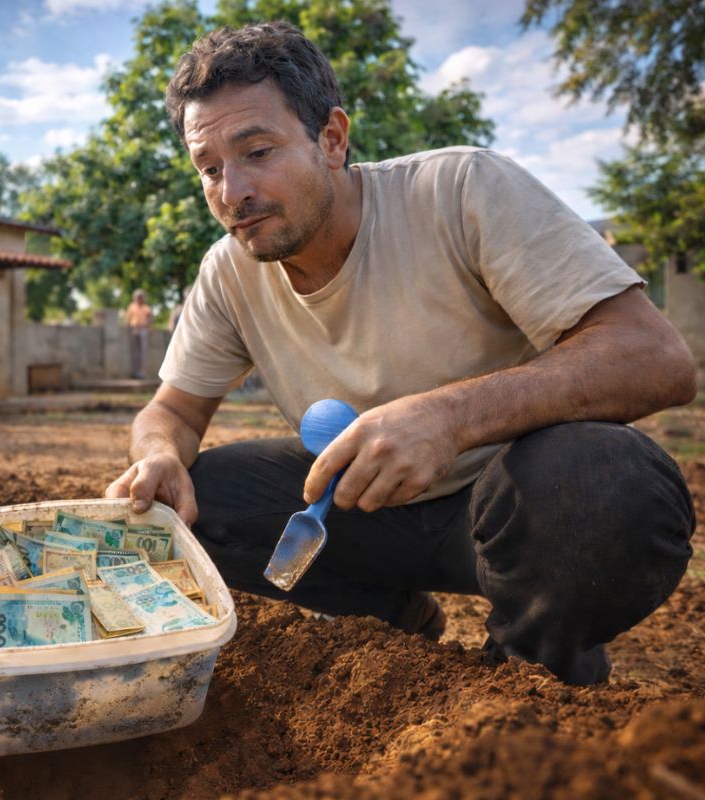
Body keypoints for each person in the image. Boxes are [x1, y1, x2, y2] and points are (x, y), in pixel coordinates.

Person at [106, 22, 696, 686]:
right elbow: (173, 413)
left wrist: (448, 419)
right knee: (198, 503)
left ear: (331, 138)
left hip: (510, 510)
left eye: (258, 151)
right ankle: (389, 618)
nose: (231, 191)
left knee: (609, 483)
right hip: (360, 515)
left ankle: (530, 668)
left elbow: (654, 357)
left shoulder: (461, 191)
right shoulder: (228, 272)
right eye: (209, 168)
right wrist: (158, 455)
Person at [125, 289, 154, 379]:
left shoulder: (146, 308)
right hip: (134, 330)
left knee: (142, 352)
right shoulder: (131, 307)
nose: (139, 299)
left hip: (143, 330)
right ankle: (135, 372)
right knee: (135, 352)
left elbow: (150, 320)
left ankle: (141, 373)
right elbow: (128, 319)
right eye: (137, 297)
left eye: (141, 297)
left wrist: (148, 328)